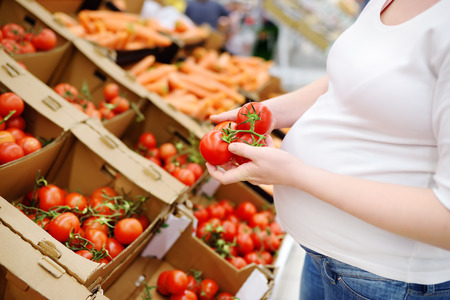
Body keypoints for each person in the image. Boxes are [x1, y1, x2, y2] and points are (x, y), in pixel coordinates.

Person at [205, 0, 450, 299]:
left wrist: (296, 174)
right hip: (324, 256)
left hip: (386, 280)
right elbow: (353, 78)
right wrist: (269, 113)